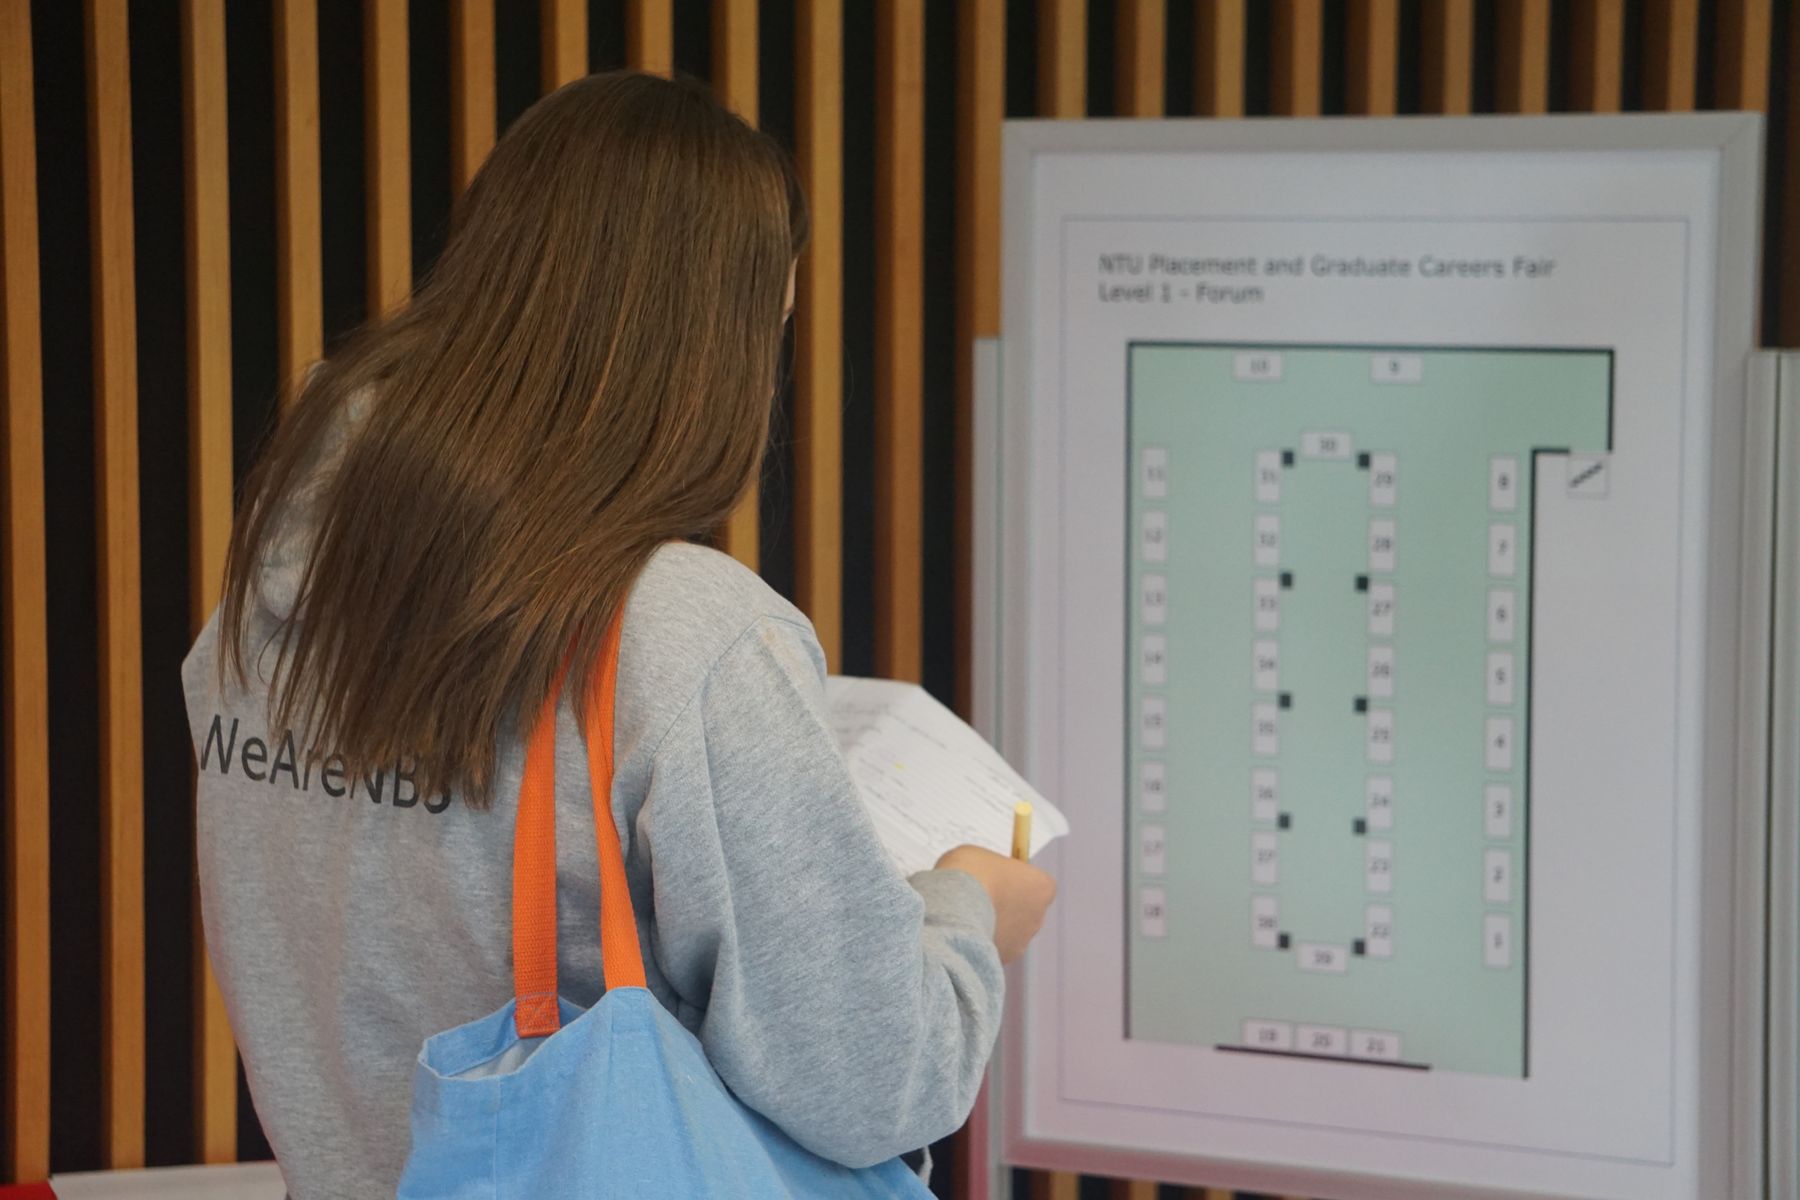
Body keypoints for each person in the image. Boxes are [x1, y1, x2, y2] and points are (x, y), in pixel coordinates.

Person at [182, 70, 1056, 1198]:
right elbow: (872, 1084)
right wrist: (970, 910)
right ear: (714, 337)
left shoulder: (280, 581)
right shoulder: (683, 633)